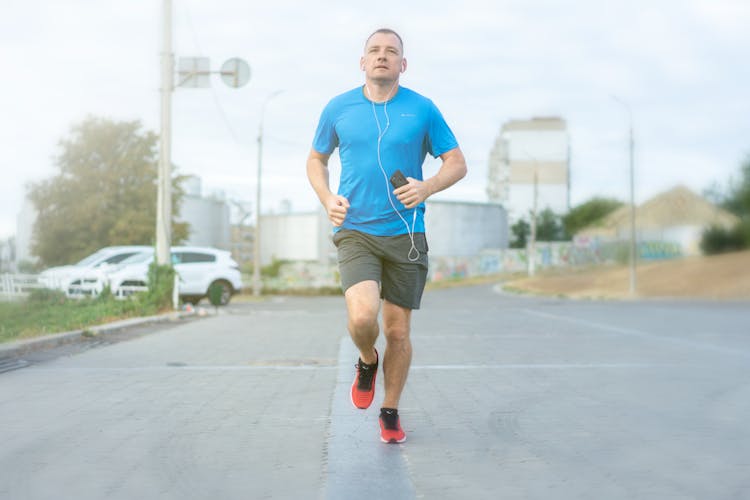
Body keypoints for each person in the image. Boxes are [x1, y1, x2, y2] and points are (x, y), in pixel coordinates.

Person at [306, 28, 467, 443]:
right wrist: (326, 197)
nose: (382, 57)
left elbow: (456, 162)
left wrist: (426, 186)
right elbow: (316, 159)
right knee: (362, 317)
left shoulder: (423, 109)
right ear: (363, 62)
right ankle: (365, 360)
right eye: (374, 51)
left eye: (391, 52)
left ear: (402, 64)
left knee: (398, 331)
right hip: (355, 228)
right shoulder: (338, 107)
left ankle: (390, 410)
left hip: (406, 233)